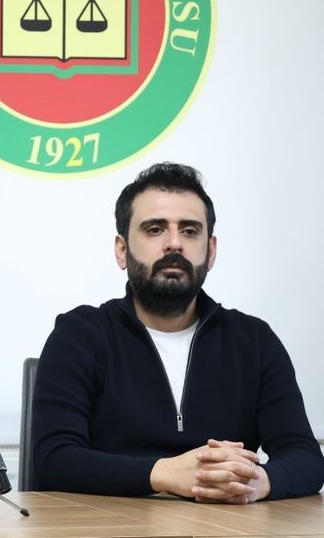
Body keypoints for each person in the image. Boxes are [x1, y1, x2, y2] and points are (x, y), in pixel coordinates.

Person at [33, 162, 324, 502]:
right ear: (122, 250)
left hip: (225, 528)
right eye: (155, 229)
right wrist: (165, 474)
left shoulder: (254, 341)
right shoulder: (80, 334)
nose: (174, 243)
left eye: (189, 231)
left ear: (210, 251)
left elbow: (305, 457)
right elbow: (54, 460)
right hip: (111, 528)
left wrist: (259, 481)